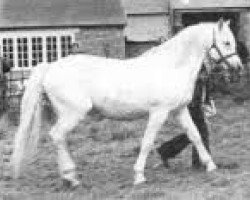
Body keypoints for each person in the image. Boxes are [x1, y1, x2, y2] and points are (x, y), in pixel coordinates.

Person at [157, 64, 216, 169]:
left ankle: (165, 151)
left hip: (198, 107)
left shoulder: (205, 78)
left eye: (205, 74)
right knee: (201, 134)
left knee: (194, 134)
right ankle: (199, 162)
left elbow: (206, 93)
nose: (204, 76)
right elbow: (192, 95)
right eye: (202, 74)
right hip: (192, 108)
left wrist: (209, 105)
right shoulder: (193, 79)